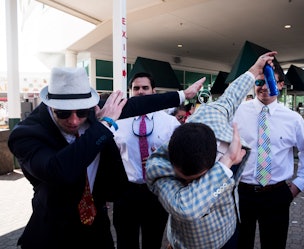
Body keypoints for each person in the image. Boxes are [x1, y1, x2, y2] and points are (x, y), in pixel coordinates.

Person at [7, 67, 203, 249]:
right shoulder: (26, 134)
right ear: (50, 105)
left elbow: (136, 104)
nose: (74, 120)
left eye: (82, 112)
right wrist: (104, 124)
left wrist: (183, 95)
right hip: (56, 230)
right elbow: (59, 170)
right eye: (64, 113)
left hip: (97, 225)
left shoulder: (92, 110)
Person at [146, 51, 278, 249]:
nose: (192, 182)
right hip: (193, 243)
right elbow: (187, 209)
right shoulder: (158, 169)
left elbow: (230, 97)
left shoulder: (209, 116)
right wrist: (227, 162)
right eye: (186, 179)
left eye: (198, 177)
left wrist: (253, 70)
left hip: (229, 230)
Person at [233, 61, 304, 249]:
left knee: (274, 244)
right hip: (242, 193)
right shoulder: (238, 113)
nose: (263, 87)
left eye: (270, 81)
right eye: (258, 83)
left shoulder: (293, 119)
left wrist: (298, 185)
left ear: (280, 84)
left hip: (276, 194)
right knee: (239, 244)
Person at [112, 72, 185, 249]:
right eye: (136, 88)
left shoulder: (170, 123)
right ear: (130, 92)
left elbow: (180, 158)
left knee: (153, 241)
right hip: (126, 192)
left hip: (156, 192)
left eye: (145, 88)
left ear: (154, 91)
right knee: (125, 242)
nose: (141, 92)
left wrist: (163, 162)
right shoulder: (117, 122)